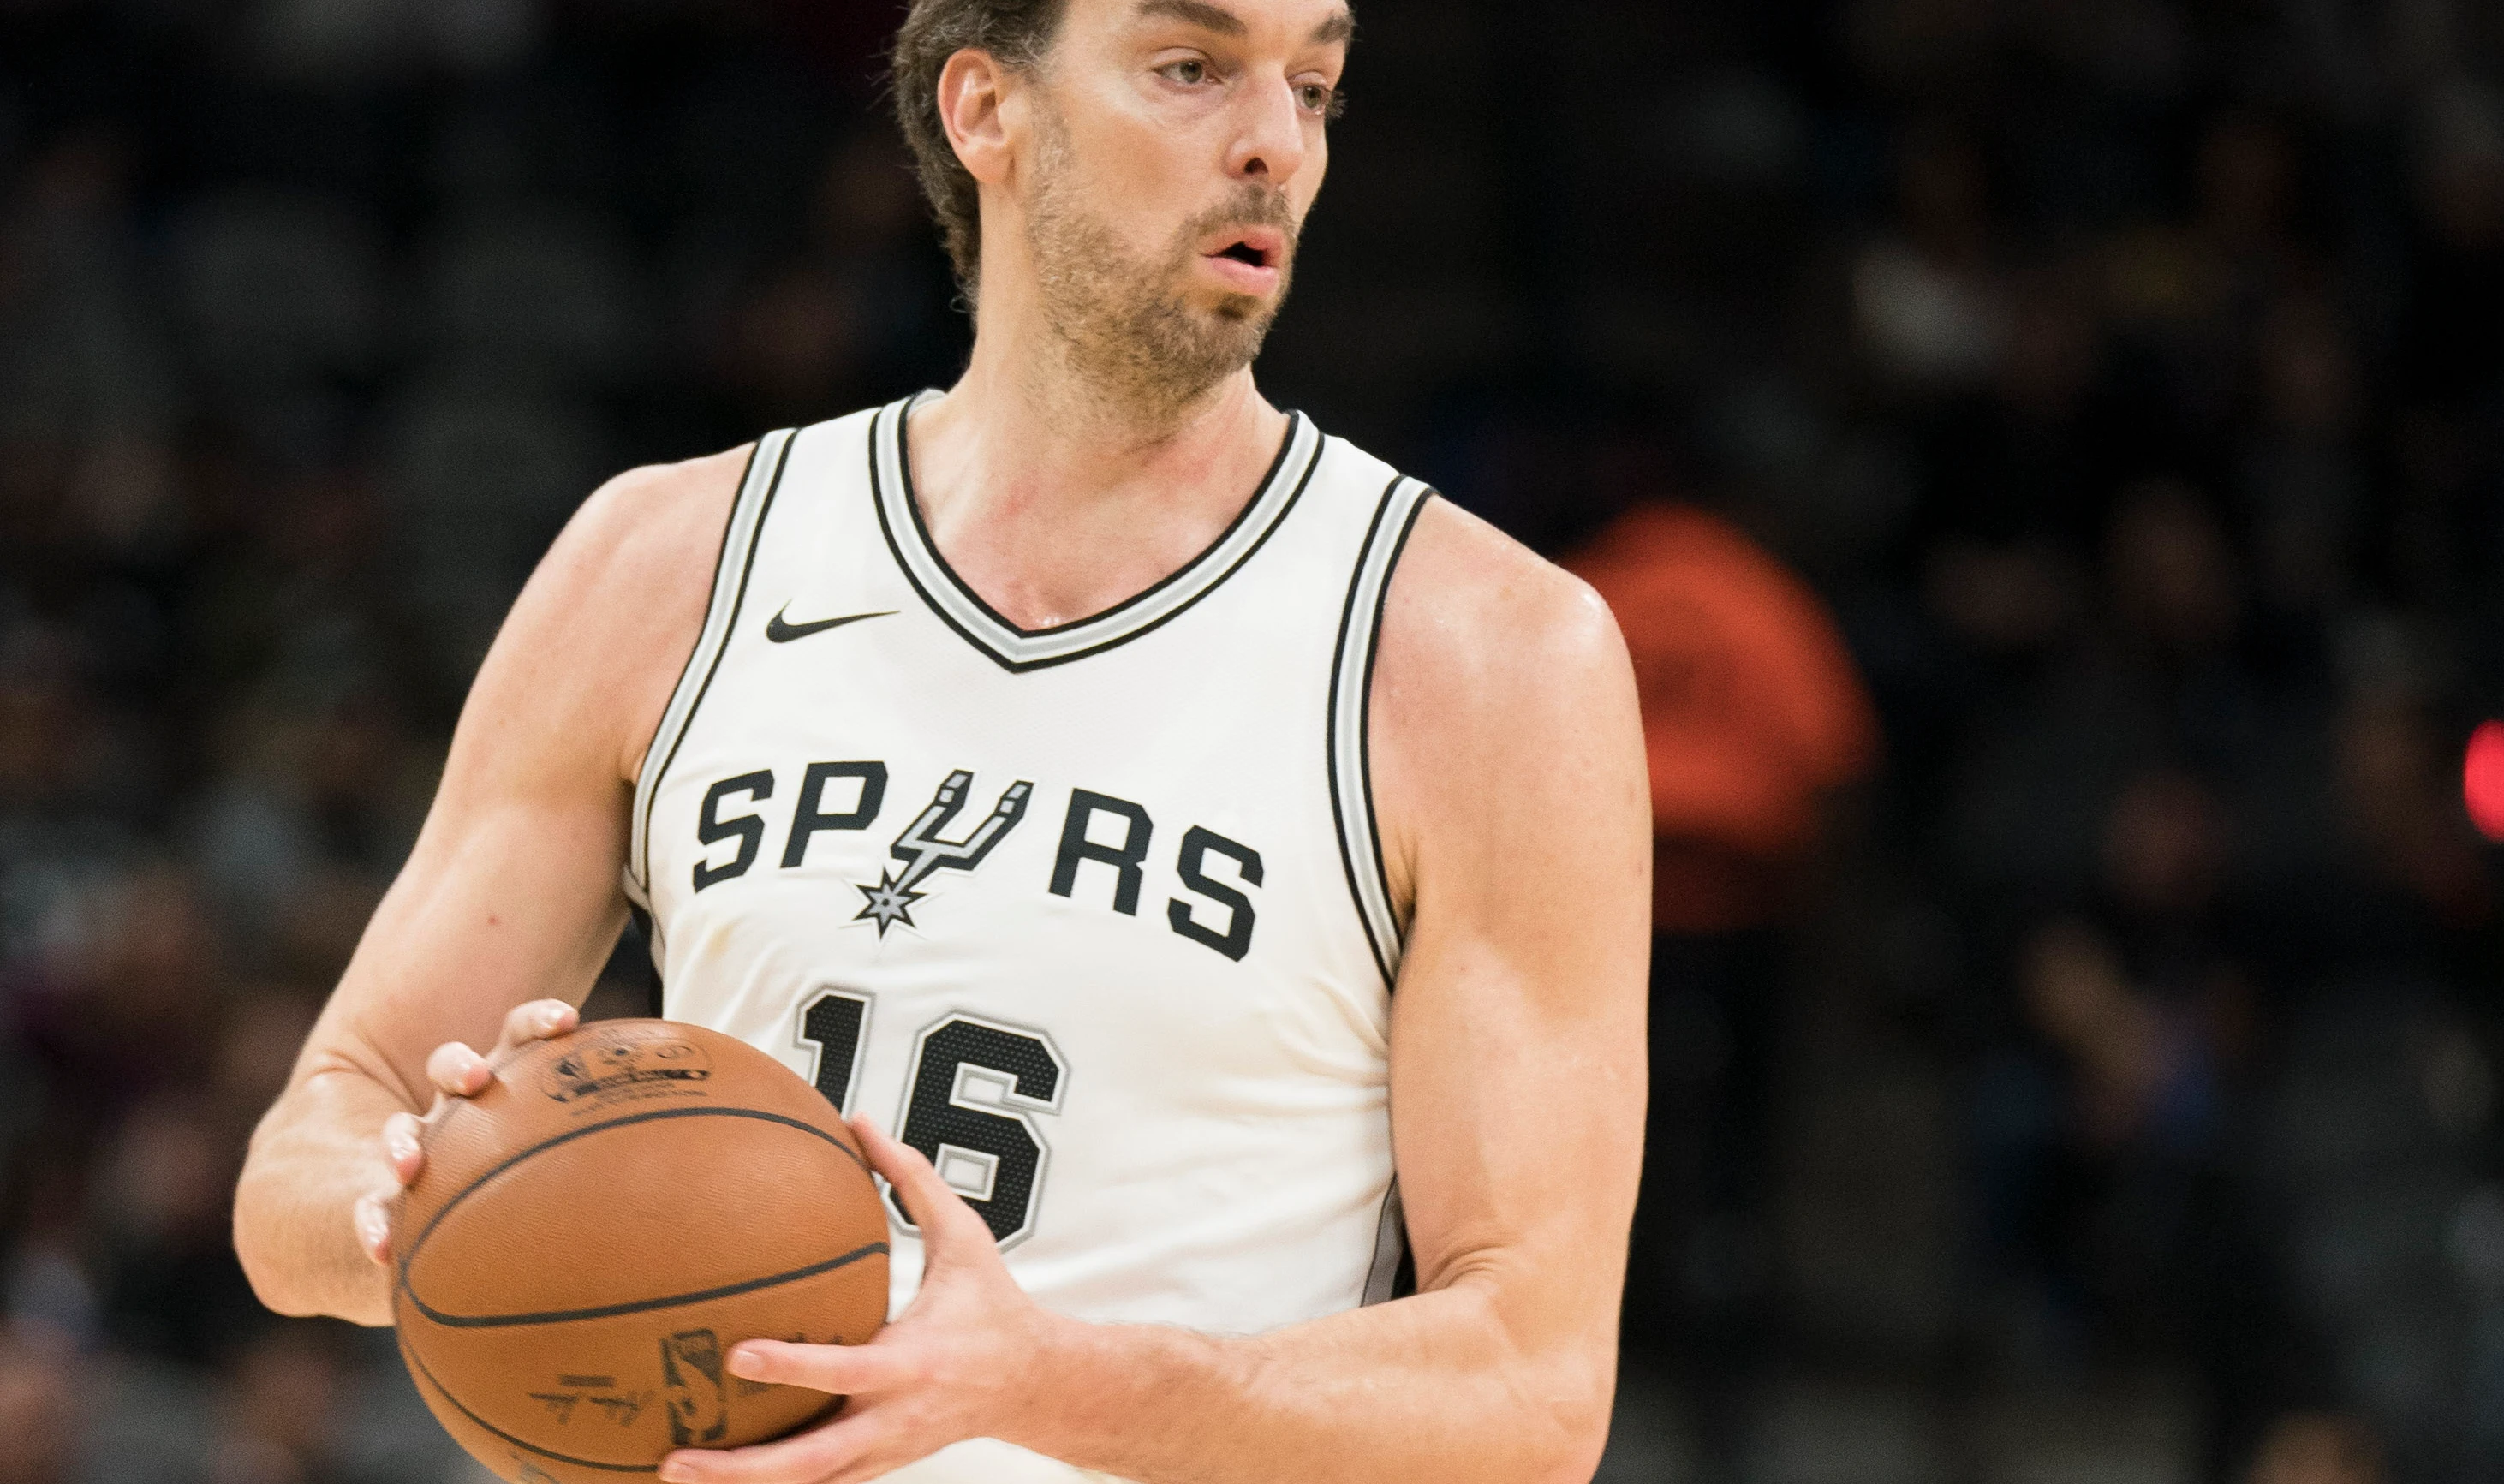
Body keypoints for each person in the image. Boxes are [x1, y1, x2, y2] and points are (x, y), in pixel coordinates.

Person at [230, 3, 1652, 1482]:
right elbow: (302, 1172)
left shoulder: (1483, 651)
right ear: (986, 110)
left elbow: (1531, 1392)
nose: (1273, 142)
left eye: (1315, 86)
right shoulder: (667, 565)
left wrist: (1045, 1384)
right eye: (1192, 68)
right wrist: (445, 1197)